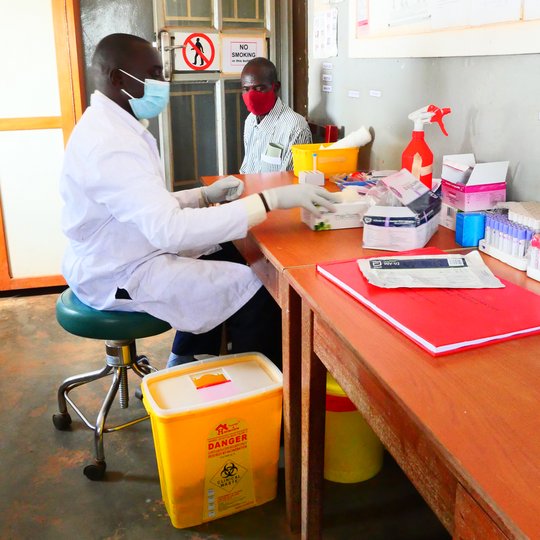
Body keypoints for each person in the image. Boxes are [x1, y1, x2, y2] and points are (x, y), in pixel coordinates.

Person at [59, 33, 339, 370]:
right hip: (118, 273)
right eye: (155, 73)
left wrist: (203, 196)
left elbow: (142, 205)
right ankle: (252, 387)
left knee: (227, 251)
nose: (164, 83)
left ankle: (186, 358)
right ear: (119, 78)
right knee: (261, 288)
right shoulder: (111, 142)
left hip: (122, 250)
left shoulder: (112, 126)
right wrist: (268, 200)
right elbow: (170, 230)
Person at [239, 57, 312, 174]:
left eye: (259, 88)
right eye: (246, 89)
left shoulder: (295, 127)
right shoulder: (250, 120)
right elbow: (247, 168)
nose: (251, 96)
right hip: (249, 189)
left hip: (275, 192)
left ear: (276, 87)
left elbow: (290, 182)